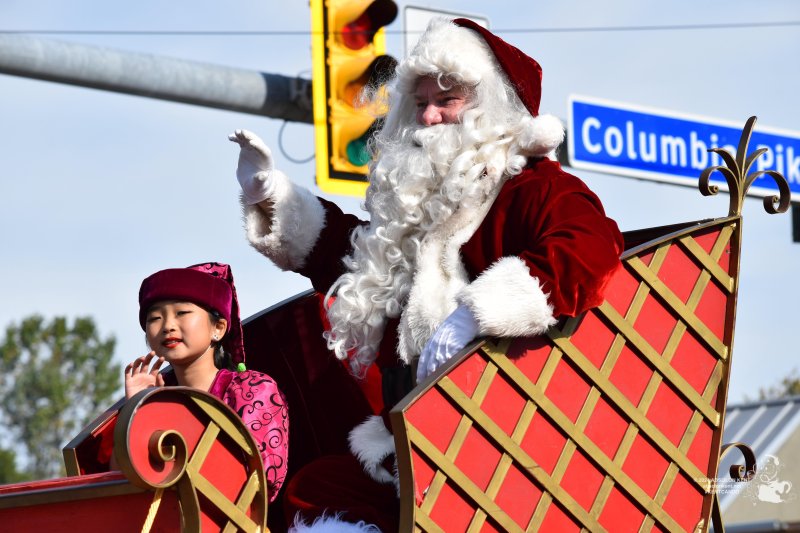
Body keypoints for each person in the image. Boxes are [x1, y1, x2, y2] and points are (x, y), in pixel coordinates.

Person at [230, 17, 624, 532]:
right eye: (419, 104)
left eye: (448, 99)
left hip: (509, 434)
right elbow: (356, 257)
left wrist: (475, 317)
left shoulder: (534, 189)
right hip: (417, 441)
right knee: (321, 489)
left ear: (490, 108)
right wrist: (273, 197)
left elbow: (591, 250)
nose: (430, 117)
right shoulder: (417, 212)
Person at [124, 261, 289, 503]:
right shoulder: (156, 397)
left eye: (182, 313)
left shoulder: (252, 389)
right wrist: (138, 410)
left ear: (219, 328)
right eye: (155, 317)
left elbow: (260, 479)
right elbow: (121, 484)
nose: (168, 326)